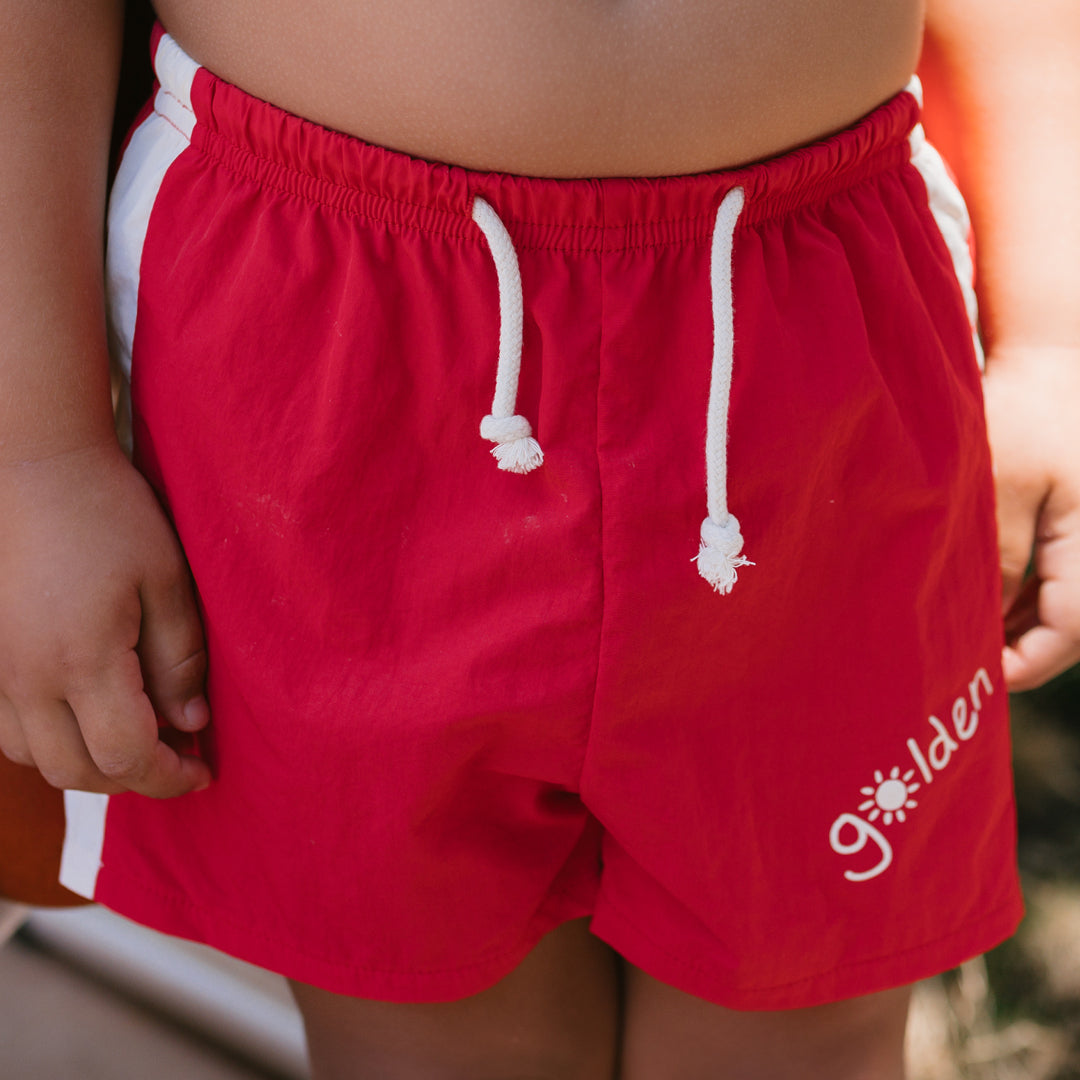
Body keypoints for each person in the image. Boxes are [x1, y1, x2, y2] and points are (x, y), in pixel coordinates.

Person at [0, 1, 1076, 1077]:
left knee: (807, 1033)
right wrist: (35, 460)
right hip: (331, 365)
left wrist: (1057, 344)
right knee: (425, 1036)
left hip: (814, 358)